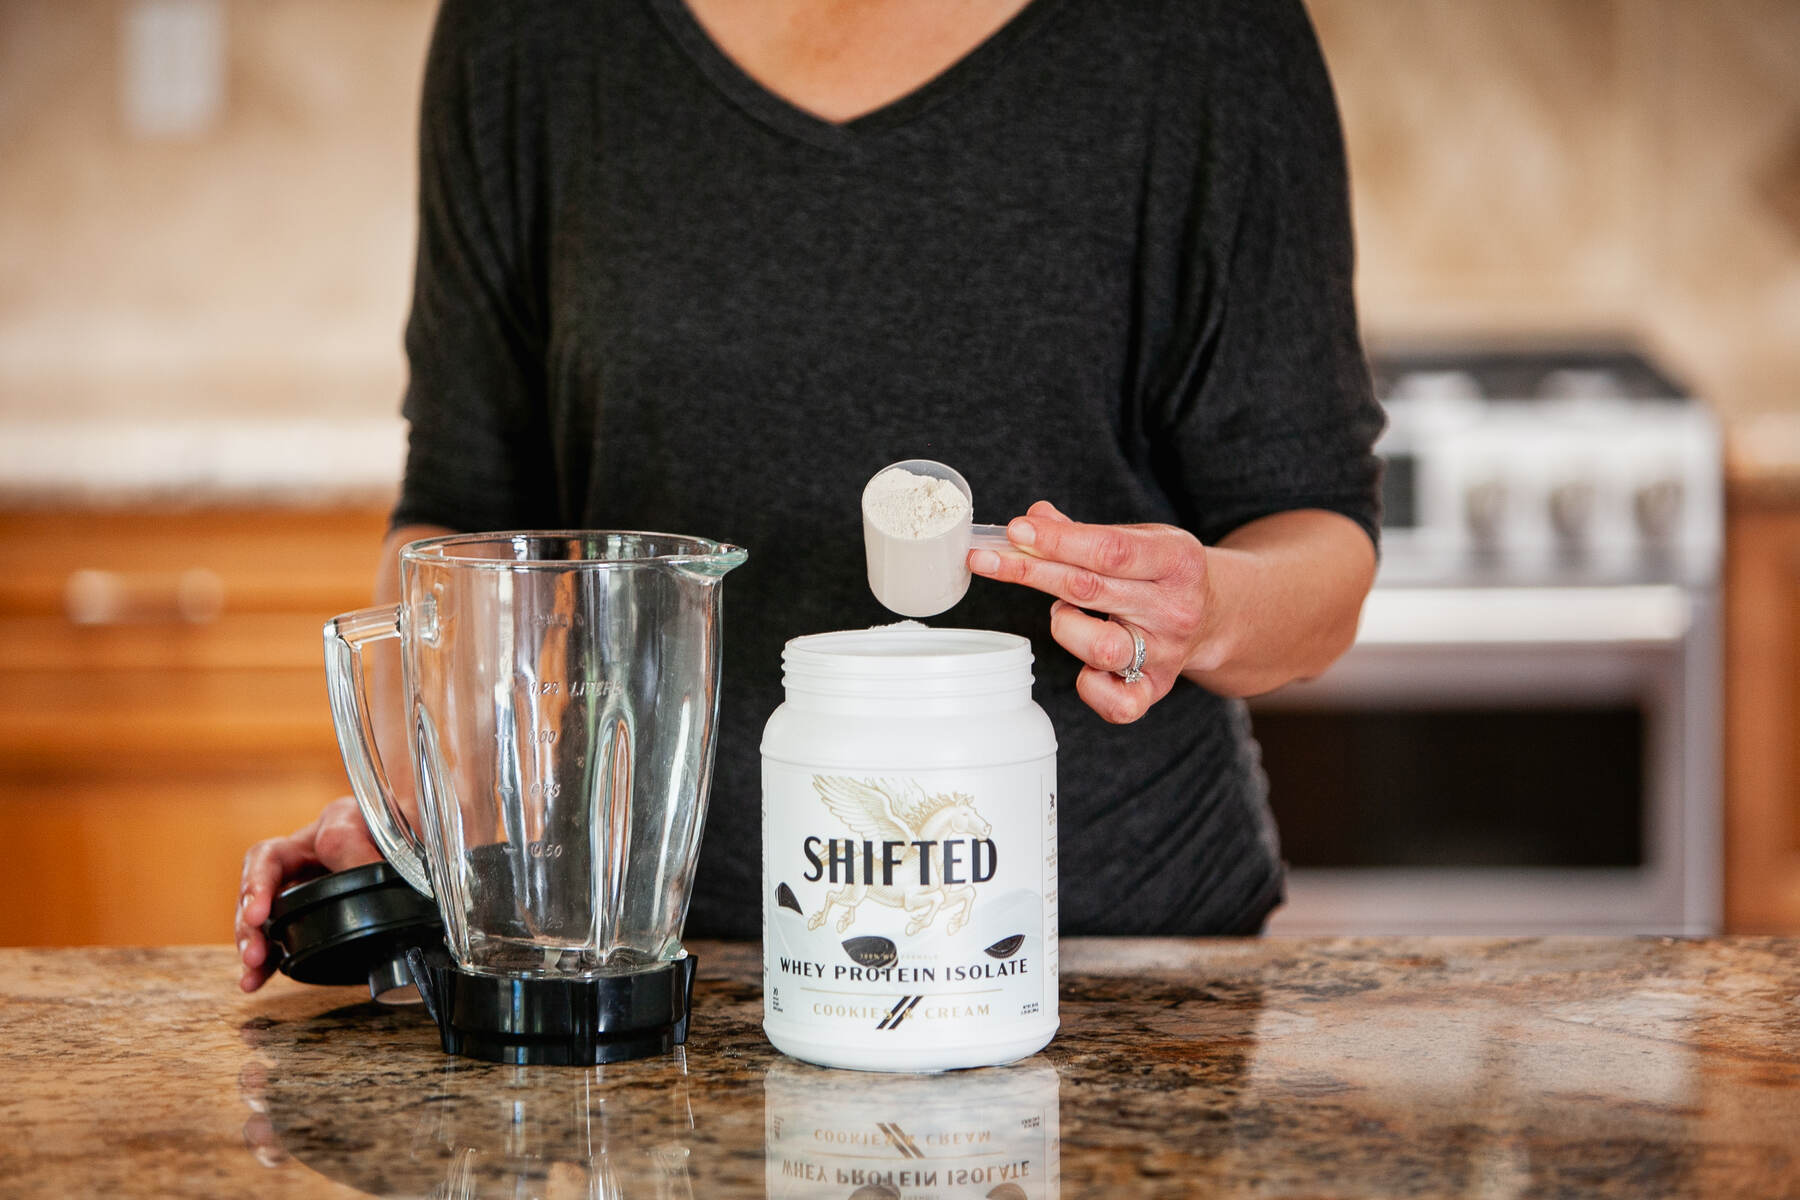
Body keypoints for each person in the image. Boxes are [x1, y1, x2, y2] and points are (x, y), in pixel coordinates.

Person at [236, 0, 1383, 992]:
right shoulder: (533, 34)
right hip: (649, 964)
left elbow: (1319, 545)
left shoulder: (1205, 35)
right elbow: (458, 518)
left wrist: (1209, 606)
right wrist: (425, 822)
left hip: (1113, 959)